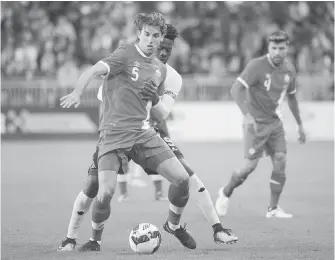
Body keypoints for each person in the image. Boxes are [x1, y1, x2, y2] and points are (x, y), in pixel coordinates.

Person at [58, 23, 238, 252]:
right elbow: (105, 98)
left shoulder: (170, 76)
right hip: (115, 131)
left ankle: (209, 227)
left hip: (150, 130)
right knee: (95, 186)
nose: (162, 50)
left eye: (167, 48)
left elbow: (163, 113)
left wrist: (155, 99)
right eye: (158, 44)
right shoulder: (124, 60)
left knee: (188, 177)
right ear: (143, 39)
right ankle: (75, 238)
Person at [215, 31, 306, 218]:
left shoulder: (289, 70)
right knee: (249, 167)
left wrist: (300, 125)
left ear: (287, 48)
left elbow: (292, 98)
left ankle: (273, 209)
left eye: (281, 48)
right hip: (255, 123)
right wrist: (247, 116)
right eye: (274, 48)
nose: (278, 52)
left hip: (275, 123)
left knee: (280, 159)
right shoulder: (256, 66)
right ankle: (225, 192)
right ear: (268, 48)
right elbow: (236, 89)